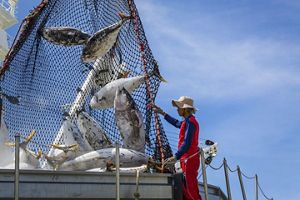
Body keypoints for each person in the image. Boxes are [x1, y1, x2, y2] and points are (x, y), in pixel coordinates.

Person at [152, 96, 202, 200]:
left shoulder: (191, 122)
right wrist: (162, 113)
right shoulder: (187, 121)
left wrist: (175, 157)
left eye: (179, 107)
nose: (177, 109)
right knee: (186, 187)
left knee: (190, 188)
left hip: (190, 160)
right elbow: (176, 123)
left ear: (185, 109)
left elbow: (187, 142)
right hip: (186, 160)